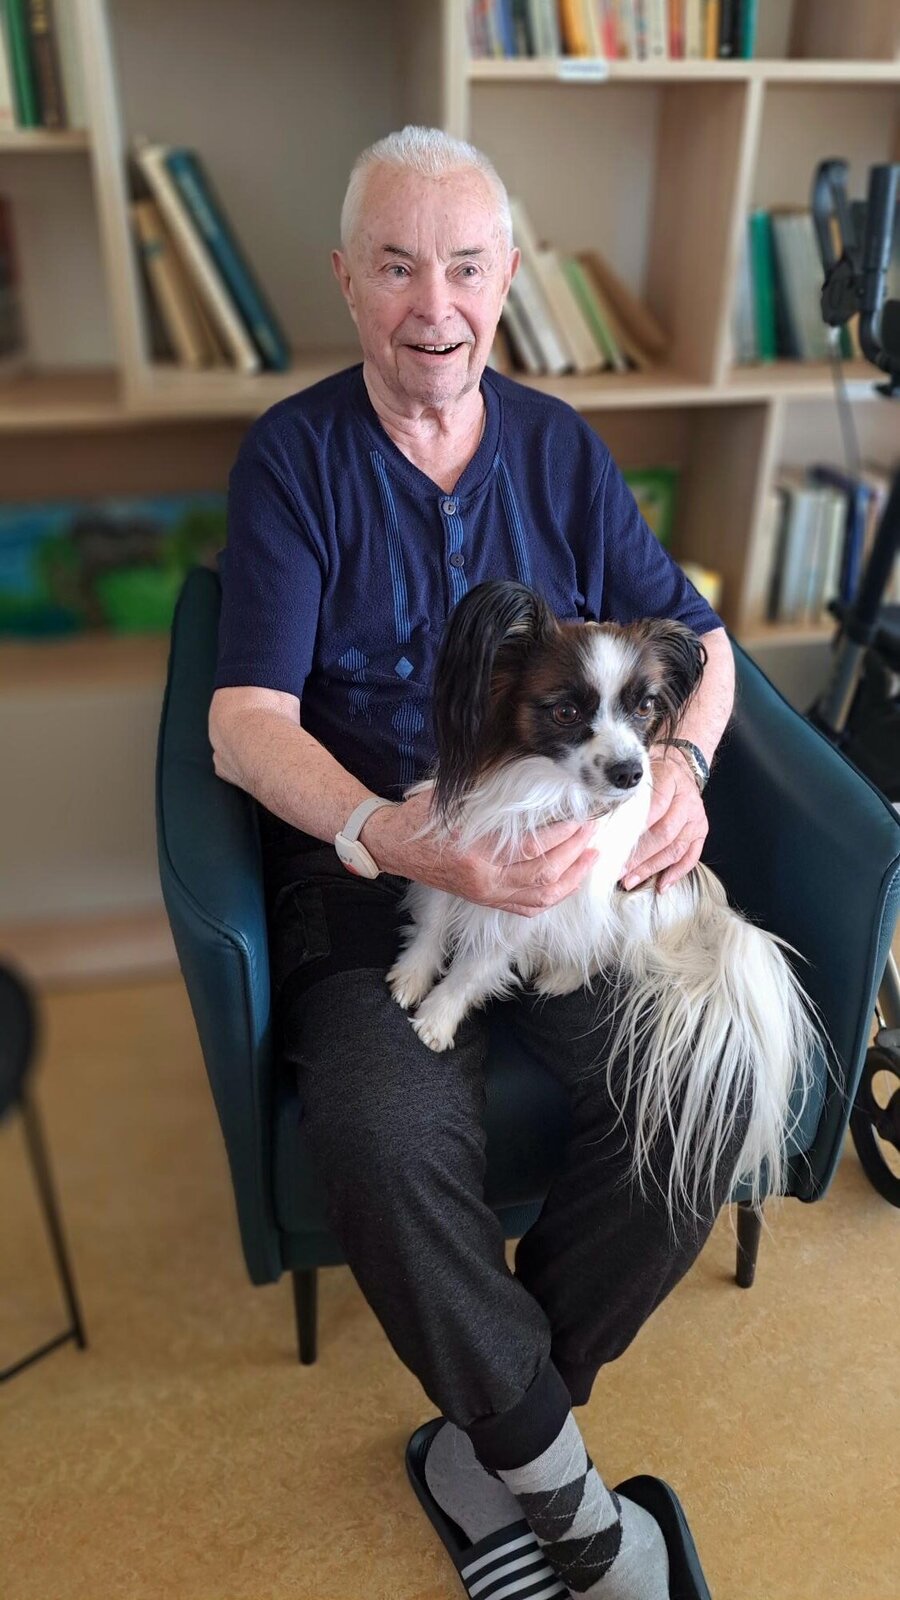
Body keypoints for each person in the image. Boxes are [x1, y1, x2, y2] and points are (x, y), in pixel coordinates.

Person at [210, 125, 743, 1600]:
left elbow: (704, 645)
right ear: (346, 280)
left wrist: (685, 766)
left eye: (462, 266)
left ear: (507, 277)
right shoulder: (294, 459)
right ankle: (567, 1502)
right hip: (369, 872)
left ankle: (489, 1447)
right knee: (382, 1135)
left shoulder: (560, 448)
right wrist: (388, 831)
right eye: (396, 267)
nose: (432, 306)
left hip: (570, 867)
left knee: (696, 1098)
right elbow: (243, 723)